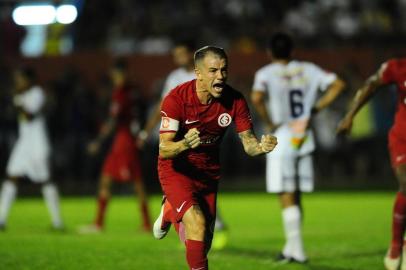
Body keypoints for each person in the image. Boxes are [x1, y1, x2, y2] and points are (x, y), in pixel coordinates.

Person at [152, 46, 277, 270]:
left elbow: (248, 143)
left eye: (224, 70)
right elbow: (164, 149)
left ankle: (170, 209)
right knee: (197, 224)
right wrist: (184, 143)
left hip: (208, 173)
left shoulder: (235, 100)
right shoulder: (176, 99)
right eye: (213, 71)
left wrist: (261, 147)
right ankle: (173, 205)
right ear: (198, 73)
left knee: (203, 242)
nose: (220, 76)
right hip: (177, 169)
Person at [251, 32, 345, 263]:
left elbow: (256, 97)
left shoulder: (265, 73)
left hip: (281, 137)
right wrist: (314, 110)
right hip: (303, 137)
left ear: (269, 52)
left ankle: (298, 250)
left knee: (286, 195)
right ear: (292, 51)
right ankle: (291, 249)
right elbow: (338, 84)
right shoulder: (309, 69)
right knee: (297, 195)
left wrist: (269, 120)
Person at [139, 40, 229, 250]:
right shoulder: (175, 78)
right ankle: (192, 230)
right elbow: (163, 107)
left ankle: (172, 210)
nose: (177, 58)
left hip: (206, 140)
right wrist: (147, 130)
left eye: (180, 53)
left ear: (191, 54)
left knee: (201, 187)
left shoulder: (208, 73)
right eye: (175, 54)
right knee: (191, 187)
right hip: (183, 140)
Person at [337, 58, 406, 270]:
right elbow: (371, 85)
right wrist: (350, 116)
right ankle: (396, 243)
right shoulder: (397, 67)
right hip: (403, 139)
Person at [79, 59, 151, 233]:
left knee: (136, 182)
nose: (115, 78)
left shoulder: (120, 94)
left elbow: (112, 120)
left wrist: (98, 141)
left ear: (120, 73)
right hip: (124, 139)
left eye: (116, 74)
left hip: (124, 141)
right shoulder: (133, 91)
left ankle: (147, 223)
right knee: (106, 178)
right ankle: (98, 223)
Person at [0, 66, 63, 230]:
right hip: (24, 144)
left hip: (37, 144)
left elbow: (29, 116)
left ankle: (57, 222)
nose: (17, 82)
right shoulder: (23, 95)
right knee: (11, 177)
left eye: (20, 79)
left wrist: (16, 101)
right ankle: (1, 219)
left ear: (29, 80)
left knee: (45, 180)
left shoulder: (37, 93)